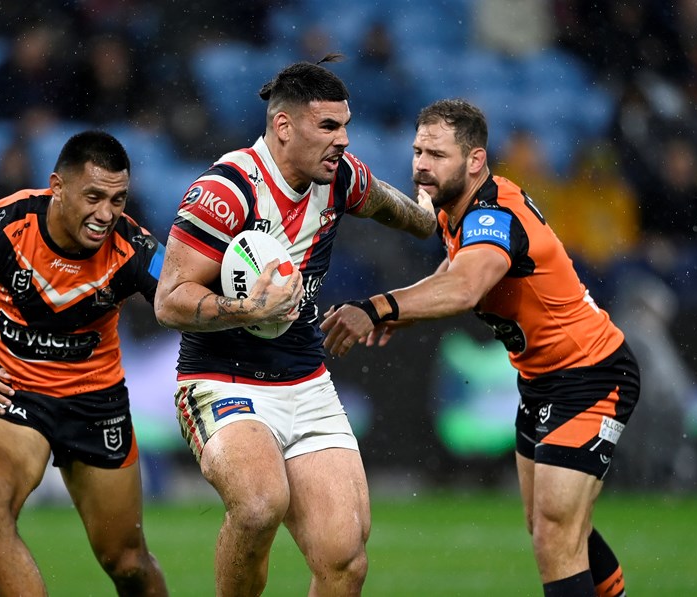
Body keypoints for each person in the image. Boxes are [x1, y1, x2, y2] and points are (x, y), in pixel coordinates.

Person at [321, 99, 640, 597]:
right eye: (417, 151)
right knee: (549, 528)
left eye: (437, 154)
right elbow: (450, 274)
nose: (422, 164)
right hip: (540, 382)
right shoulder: (460, 208)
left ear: (474, 160)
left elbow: (466, 287)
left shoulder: (493, 216)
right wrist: (402, 310)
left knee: (557, 536)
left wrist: (380, 306)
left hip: (591, 375)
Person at [153, 55, 436, 596]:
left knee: (345, 559)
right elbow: (169, 301)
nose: (344, 140)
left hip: (305, 382)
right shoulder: (226, 191)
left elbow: (391, 208)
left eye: (346, 126)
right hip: (221, 380)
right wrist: (248, 311)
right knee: (259, 506)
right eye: (329, 126)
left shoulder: (341, 179)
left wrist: (426, 214)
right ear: (283, 127)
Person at [0, 131, 170, 597]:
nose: (107, 214)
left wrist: (241, 306)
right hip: (10, 395)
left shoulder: (134, 247)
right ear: (57, 187)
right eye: (94, 197)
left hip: (94, 403)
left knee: (126, 563)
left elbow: (183, 298)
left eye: (118, 199)